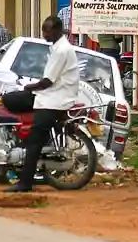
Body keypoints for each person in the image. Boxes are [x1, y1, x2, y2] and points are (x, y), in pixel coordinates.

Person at [8, 15, 92, 194]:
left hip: (54, 100)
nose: (44, 33)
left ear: (58, 30)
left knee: (34, 141)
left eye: (47, 30)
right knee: (10, 99)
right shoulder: (58, 48)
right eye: (43, 29)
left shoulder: (61, 50)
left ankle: (25, 183)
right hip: (52, 96)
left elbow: (47, 81)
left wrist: (27, 86)